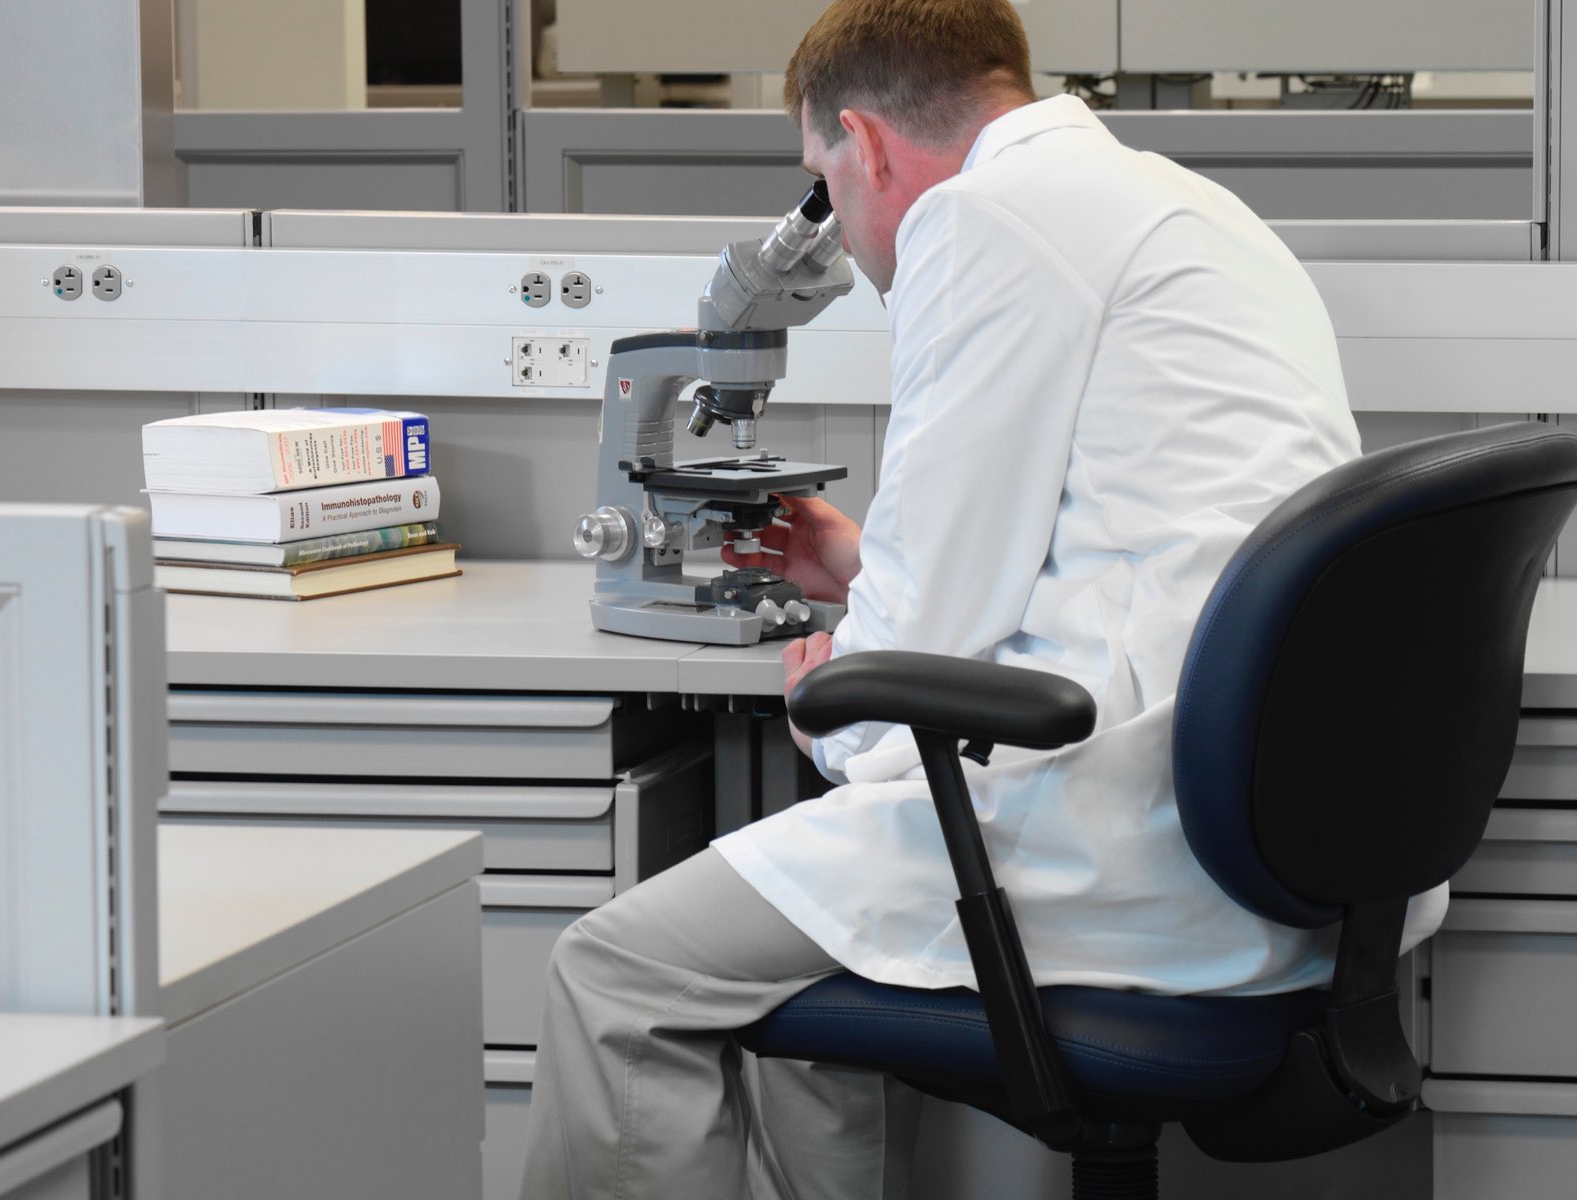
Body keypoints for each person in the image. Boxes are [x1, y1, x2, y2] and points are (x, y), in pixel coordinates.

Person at [520, 1, 1448, 1196]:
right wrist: (861, 575)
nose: (841, 230)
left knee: (615, 973)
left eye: (822, 179)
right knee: (794, 940)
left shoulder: (981, 219)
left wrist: (838, 694)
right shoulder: (1177, 203)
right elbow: (1115, 533)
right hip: (1276, 829)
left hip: (1134, 828)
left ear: (865, 143)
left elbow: (912, 649)